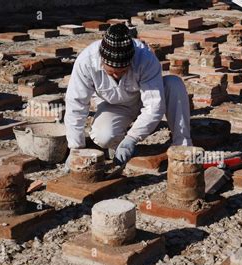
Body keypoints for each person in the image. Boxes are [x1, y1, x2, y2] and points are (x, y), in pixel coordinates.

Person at [64, 23, 192, 168]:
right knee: (103, 136)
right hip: (115, 105)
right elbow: (76, 105)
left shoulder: (146, 58)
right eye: (111, 72)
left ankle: (182, 145)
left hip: (143, 99)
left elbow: (154, 106)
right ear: (102, 60)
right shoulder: (86, 62)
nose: (116, 75)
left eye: (123, 71)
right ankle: (120, 146)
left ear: (131, 61)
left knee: (174, 83)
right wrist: (75, 149)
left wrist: (132, 138)